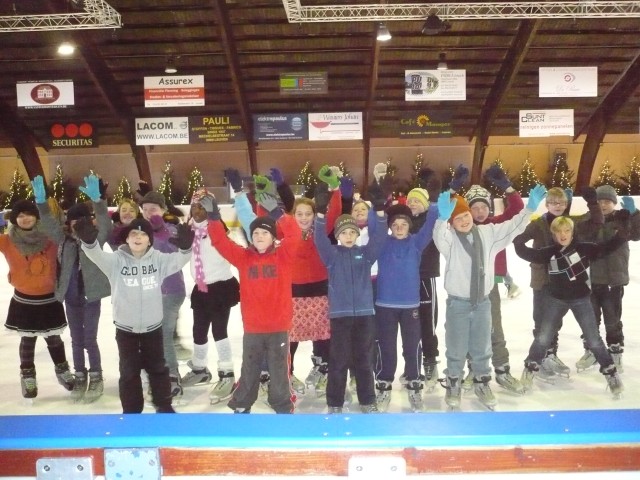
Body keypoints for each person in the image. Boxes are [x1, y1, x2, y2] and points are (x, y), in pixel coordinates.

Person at [227, 167, 341, 397]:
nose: (304, 218)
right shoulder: (284, 231)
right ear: (293, 215)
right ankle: (287, 373)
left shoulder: (321, 229)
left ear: (314, 214)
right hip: (293, 293)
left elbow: (336, 211)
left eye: (308, 213)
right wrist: (262, 199)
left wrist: (335, 189)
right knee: (291, 338)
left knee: (322, 335)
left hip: (320, 290)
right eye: (300, 214)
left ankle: (322, 368)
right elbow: (264, 220)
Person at [433, 184, 546, 410]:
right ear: (452, 223)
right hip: (458, 304)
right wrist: (441, 219)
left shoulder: (488, 233)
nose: (464, 221)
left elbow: (513, 227)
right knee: (456, 348)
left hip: (483, 303)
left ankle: (482, 383)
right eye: (458, 219)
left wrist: (529, 209)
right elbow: (438, 237)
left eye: (465, 216)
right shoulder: (450, 240)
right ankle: (454, 384)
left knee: (482, 347)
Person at [75, 216, 193, 413]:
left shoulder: (159, 260)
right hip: (126, 330)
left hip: (153, 329)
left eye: (143, 234)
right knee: (129, 372)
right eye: (134, 233)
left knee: (158, 369)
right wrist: (89, 242)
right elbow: (95, 254)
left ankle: (164, 407)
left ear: (150, 240)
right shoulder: (115, 261)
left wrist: (186, 248)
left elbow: (180, 260)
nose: (138, 237)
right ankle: (131, 412)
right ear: (127, 239)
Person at [514, 215, 626, 398]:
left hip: (581, 299)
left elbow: (607, 247)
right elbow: (528, 253)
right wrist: (518, 240)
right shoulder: (549, 252)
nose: (563, 234)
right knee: (543, 337)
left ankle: (611, 373)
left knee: (594, 340)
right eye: (558, 231)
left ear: (573, 232)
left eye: (567, 230)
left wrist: (622, 234)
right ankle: (530, 368)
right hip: (555, 299)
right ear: (553, 234)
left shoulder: (584, 249)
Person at [206, 195, 298, 414]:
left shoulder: (283, 256)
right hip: (253, 328)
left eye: (264, 233)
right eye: (255, 233)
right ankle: (242, 402)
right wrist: (213, 218)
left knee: (279, 369)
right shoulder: (244, 258)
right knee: (249, 368)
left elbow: (294, 234)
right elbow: (220, 242)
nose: (259, 236)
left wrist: (278, 214)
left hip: (278, 327)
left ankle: (282, 404)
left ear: (273, 237)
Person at [31, 174, 112, 403]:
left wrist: (98, 202)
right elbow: (48, 223)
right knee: (76, 339)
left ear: (89, 220)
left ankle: (96, 375)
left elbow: (106, 223)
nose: (76, 224)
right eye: (73, 220)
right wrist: (41, 204)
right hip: (71, 297)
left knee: (89, 338)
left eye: (81, 219)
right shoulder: (64, 240)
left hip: (91, 297)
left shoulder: (95, 240)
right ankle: (80, 375)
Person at [313, 180, 388, 414]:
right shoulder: (332, 256)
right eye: (344, 232)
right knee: (339, 361)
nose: (348, 236)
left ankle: (367, 400)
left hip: (364, 315)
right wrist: (320, 214)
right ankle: (335, 402)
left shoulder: (365, 255)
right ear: (338, 235)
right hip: (340, 316)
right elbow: (319, 239)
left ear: (357, 234)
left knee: (364, 360)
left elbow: (379, 239)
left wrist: (380, 211)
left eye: (352, 232)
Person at [513, 187, 603, 380]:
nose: (557, 206)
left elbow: (596, 222)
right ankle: (543, 358)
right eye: (553, 202)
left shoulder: (570, 223)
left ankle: (551, 353)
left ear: (566, 204)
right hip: (542, 279)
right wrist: (526, 249)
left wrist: (593, 203)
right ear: (546, 205)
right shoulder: (538, 224)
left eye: (561, 202)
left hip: (563, 281)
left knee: (554, 321)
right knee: (541, 319)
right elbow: (520, 238)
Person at [458, 166, 526, 395]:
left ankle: (502, 370)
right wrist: (454, 189)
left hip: (490, 287)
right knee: (470, 329)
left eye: (483, 207)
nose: (479, 212)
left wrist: (508, 188)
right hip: (467, 287)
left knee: (494, 328)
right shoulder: (461, 228)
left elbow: (517, 210)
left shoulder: (496, 225)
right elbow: (444, 215)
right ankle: (473, 369)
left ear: (490, 207)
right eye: (474, 207)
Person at [1, 199, 74, 401]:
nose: (25, 218)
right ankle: (28, 376)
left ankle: (63, 371)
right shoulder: (7, 241)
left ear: (36, 216)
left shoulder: (51, 238)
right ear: (14, 219)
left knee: (54, 339)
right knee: (28, 339)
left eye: (29, 214)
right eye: (20, 215)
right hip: (24, 300)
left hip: (49, 299)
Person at [374, 201, 438, 412]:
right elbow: (375, 227)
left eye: (403, 224)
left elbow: (430, 224)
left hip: (410, 305)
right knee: (387, 347)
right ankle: (384, 384)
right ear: (390, 227)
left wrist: (434, 203)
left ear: (410, 226)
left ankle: (414, 383)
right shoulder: (382, 243)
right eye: (395, 224)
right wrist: (378, 208)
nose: (399, 227)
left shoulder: (416, 242)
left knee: (412, 347)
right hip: (385, 305)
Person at [180, 188, 240, 405]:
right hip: (202, 289)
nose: (197, 211)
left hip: (220, 288)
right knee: (198, 330)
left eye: (203, 207)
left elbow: (227, 246)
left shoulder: (218, 229)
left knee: (219, 331)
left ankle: (227, 373)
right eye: (194, 207)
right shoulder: (190, 230)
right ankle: (200, 369)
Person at [574, 185, 640, 373]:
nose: (603, 205)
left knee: (612, 320)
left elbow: (637, 234)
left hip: (613, 280)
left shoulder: (622, 219)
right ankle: (591, 351)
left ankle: (615, 352)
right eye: (599, 201)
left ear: (614, 203)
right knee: (590, 319)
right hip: (591, 279)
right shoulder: (587, 220)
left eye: (607, 201)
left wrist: (635, 214)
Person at [139, 191, 187, 401]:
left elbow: (174, 249)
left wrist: (160, 232)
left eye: (154, 209)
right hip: (146, 293)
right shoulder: (139, 232)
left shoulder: (172, 229)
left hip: (170, 291)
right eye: (145, 209)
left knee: (163, 335)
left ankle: (172, 375)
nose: (149, 213)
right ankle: (155, 374)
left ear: (164, 210)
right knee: (148, 336)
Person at [406, 167, 444, 392]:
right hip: (406, 279)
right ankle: (412, 365)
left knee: (427, 324)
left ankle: (430, 361)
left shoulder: (432, 219)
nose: (413, 203)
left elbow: (437, 215)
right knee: (410, 326)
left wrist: (435, 199)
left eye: (417, 200)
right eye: (410, 200)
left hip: (425, 277)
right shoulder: (403, 222)